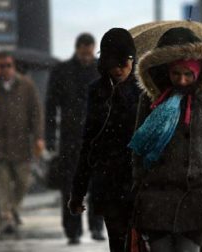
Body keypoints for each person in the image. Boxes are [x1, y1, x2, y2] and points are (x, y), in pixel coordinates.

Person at [130, 27, 202, 252]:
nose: (182, 81)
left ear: (199, 70)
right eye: (176, 74)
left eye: (188, 74)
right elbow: (139, 144)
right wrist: (141, 178)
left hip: (198, 193)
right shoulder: (150, 97)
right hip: (157, 193)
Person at [67, 28, 141, 252]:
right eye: (113, 64)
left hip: (141, 181)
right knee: (118, 242)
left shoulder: (145, 89)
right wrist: (78, 192)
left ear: (132, 60)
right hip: (110, 183)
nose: (119, 70)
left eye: (124, 63)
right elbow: (89, 141)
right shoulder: (97, 92)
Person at [45, 33, 104, 245]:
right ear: (78, 48)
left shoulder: (101, 70)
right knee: (70, 187)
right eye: (84, 51)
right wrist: (50, 136)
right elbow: (51, 105)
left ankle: (97, 227)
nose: (87, 56)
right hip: (70, 139)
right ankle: (73, 230)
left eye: (90, 52)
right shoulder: (62, 71)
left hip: (97, 136)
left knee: (97, 185)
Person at [0, 51, 44, 239]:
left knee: (23, 181)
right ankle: (6, 217)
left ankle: (11, 209)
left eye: (8, 65)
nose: (5, 70)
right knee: (1, 184)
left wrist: (38, 137)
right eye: (1, 66)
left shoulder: (25, 85)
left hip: (21, 144)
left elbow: (36, 112)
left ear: (13, 66)